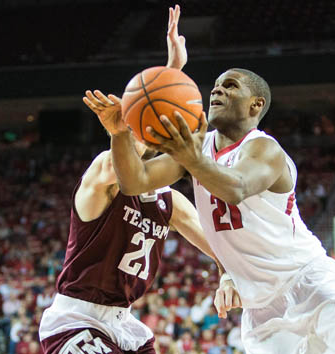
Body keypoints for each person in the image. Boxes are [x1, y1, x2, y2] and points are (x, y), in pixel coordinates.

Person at [101, 5, 335, 353]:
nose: (217, 91)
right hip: (260, 311)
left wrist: (189, 156)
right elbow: (135, 181)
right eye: (216, 85)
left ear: (255, 105)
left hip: (313, 286)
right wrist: (120, 132)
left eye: (230, 86)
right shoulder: (198, 147)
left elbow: (235, 188)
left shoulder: (265, 150)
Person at [39, 7, 238, 354]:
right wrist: (171, 73)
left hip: (124, 323)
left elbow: (217, 246)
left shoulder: (169, 202)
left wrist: (227, 273)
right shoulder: (105, 173)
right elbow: (130, 156)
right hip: (76, 320)